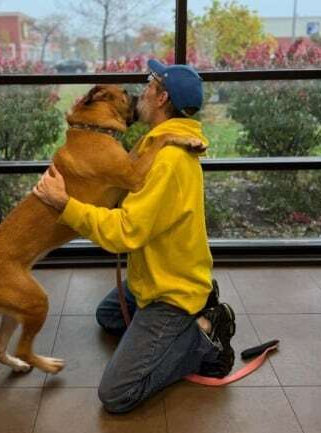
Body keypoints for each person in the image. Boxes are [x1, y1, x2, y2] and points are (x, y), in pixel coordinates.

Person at [32, 60, 236, 414]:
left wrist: (64, 205)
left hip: (171, 291)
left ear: (162, 98)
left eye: (149, 85)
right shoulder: (156, 142)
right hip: (154, 276)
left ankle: (204, 336)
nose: (142, 91)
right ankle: (194, 307)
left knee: (116, 393)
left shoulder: (169, 159)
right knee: (108, 316)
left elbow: (125, 232)